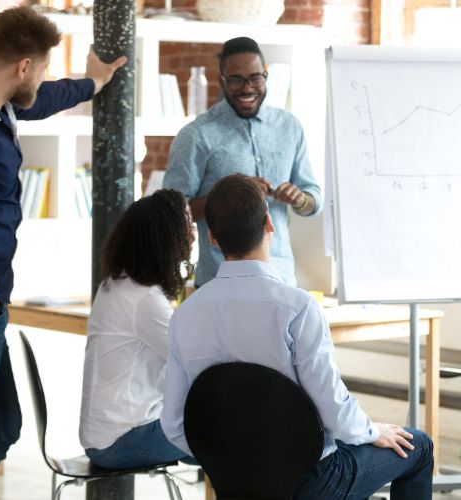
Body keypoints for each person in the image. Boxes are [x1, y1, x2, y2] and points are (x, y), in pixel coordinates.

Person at [0, 6, 125, 499]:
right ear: (22, 67)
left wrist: (92, 83)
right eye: (42, 67)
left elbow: (47, 98)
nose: (44, 77)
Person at [161, 174, 433, 499]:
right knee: (419, 447)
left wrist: (230, 459)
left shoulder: (185, 315)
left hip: (233, 482)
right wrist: (374, 430)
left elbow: (174, 424)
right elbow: (334, 410)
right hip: (310, 482)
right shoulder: (297, 308)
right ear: (269, 225)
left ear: (212, 238)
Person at [162, 36, 321, 289]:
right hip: (218, 284)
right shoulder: (197, 134)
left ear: (265, 76)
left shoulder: (289, 127)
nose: (247, 88)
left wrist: (300, 199)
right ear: (221, 81)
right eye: (236, 79)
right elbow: (170, 212)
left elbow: (314, 201)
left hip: (281, 282)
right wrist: (233, 193)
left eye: (255, 78)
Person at [79, 189, 195, 469]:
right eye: (187, 226)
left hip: (106, 434)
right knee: (228, 435)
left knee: (220, 432)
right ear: (169, 238)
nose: (193, 234)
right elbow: (192, 361)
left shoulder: (119, 284)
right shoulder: (144, 299)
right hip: (122, 439)